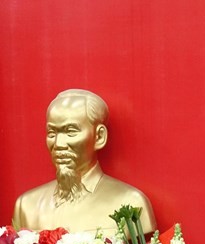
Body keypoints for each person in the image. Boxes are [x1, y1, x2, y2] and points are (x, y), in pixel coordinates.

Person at [12, 89, 156, 233]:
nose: (58, 144)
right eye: (51, 133)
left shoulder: (130, 204)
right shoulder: (26, 206)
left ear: (99, 137)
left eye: (71, 132)